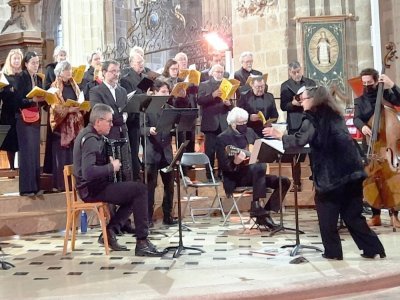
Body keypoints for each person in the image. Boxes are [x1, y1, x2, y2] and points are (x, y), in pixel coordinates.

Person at [264, 86, 386, 260]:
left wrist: (280, 135)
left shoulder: (313, 117)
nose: (301, 102)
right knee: (353, 215)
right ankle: (374, 249)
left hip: (332, 175)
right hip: (353, 171)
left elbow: (300, 139)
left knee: (327, 214)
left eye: (303, 99)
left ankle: (333, 253)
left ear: (314, 100)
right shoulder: (335, 115)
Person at [73, 103, 165, 256]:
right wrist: (111, 167)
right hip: (91, 189)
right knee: (140, 189)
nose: (111, 124)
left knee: (134, 195)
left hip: (97, 186)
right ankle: (142, 242)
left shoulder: (91, 135)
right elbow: (88, 172)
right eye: (109, 121)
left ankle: (110, 231)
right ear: (98, 122)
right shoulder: (90, 139)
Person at [216, 107, 291, 229]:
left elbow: (259, 149)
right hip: (235, 177)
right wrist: (236, 161)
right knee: (259, 166)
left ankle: (264, 213)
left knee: (284, 181)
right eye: (241, 123)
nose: (244, 125)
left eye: (245, 122)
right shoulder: (223, 138)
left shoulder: (250, 132)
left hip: (256, 176)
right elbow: (224, 166)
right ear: (232, 123)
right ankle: (255, 205)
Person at [353, 68, 400, 228]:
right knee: (372, 178)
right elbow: (356, 118)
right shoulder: (359, 100)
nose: (366, 85)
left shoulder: (386, 95)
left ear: (375, 81)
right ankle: (376, 216)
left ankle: (395, 215)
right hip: (372, 144)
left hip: (389, 145)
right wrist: (363, 126)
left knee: (392, 178)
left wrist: (392, 84)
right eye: (364, 83)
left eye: (369, 83)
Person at [141, 80, 177, 226]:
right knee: (150, 187)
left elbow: (175, 127)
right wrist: (149, 130)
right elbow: (140, 128)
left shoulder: (170, 108)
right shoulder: (146, 109)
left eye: (167, 92)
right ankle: (148, 218)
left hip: (166, 152)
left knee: (169, 186)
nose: (166, 94)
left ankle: (168, 216)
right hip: (152, 152)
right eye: (162, 92)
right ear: (155, 93)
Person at [49, 61, 85, 191]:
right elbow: (54, 107)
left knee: (75, 155)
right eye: (66, 70)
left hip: (75, 124)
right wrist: (68, 111)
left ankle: (75, 185)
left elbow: (80, 99)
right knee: (63, 157)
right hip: (62, 127)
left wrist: (81, 107)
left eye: (69, 69)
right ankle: (63, 186)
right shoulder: (54, 87)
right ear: (59, 73)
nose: (69, 72)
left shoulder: (75, 85)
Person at [280, 61, 316, 191]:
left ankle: (316, 181)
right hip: (294, 122)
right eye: (294, 73)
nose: (297, 74)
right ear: (290, 72)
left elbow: (315, 98)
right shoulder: (285, 86)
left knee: (313, 153)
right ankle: (296, 183)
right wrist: (293, 103)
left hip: (309, 119)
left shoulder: (310, 83)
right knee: (295, 155)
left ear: (302, 70)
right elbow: (283, 106)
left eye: (298, 71)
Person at [15, 51, 46, 196]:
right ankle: (26, 188)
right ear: (26, 64)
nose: (36, 65)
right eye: (33, 62)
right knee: (26, 153)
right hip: (23, 119)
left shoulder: (38, 78)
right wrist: (31, 101)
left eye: (37, 62)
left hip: (35, 117)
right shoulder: (20, 77)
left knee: (34, 153)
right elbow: (17, 100)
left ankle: (35, 186)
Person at [198, 64, 233, 181]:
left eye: (222, 72)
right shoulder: (204, 84)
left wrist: (229, 104)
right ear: (212, 73)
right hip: (210, 122)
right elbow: (200, 100)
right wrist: (212, 95)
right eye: (217, 72)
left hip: (223, 122)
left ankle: (223, 173)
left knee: (223, 151)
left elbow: (231, 105)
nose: (219, 74)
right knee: (210, 150)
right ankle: (209, 174)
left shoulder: (226, 85)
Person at [120, 52, 151, 181]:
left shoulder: (146, 77)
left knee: (148, 148)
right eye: (138, 62)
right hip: (133, 118)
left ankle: (147, 172)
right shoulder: (126, 79)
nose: (141, 64)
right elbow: (129, 97)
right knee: (133, 148)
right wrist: (144, 94)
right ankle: (135, 176)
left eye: (142, 62)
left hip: (145, 116)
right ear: (132, 63)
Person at [0, 49, 23, 172]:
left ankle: (20, 167)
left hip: (20, 112)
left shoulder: (22, 75)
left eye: (18, 58)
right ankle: (11, 168)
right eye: (14, 58)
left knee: (20, 139)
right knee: (8, 141)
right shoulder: (3, 76)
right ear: (10, 60)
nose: (16, 61)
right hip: (7, 112)